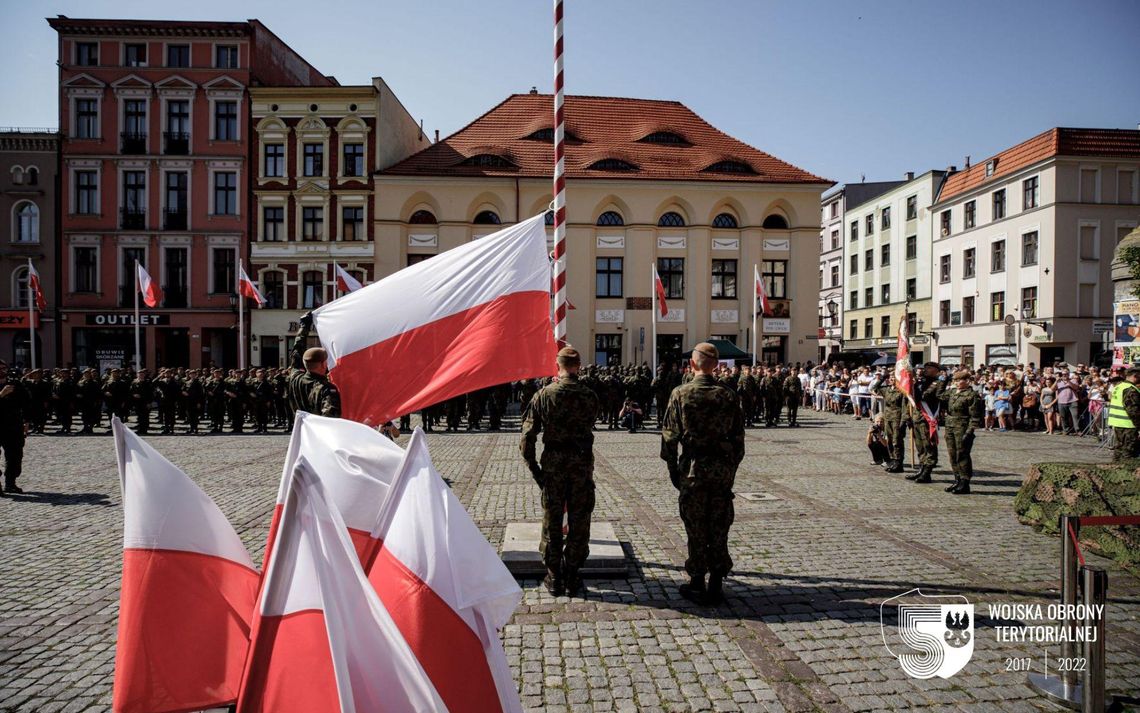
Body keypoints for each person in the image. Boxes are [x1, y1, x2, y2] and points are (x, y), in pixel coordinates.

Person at [660, 342, 745, 606]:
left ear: (693, 364)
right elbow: (739, 440)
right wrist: (729, 468)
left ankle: (697, 580)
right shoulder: (728, 395)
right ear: (717, 366)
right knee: (719, 526)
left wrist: (674, 472)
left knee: (695, 527)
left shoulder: (681, 394)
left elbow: (669, 439)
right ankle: (716, 581)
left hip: (693, 470)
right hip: (720, 473)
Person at [520, 346, 601, 597]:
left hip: (553, 466)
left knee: (552, 520)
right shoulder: (589, 396)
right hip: (580, 464)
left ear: (558, 366)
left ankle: (554, 575)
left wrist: (535, 470)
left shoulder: (544, 395)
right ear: (578, 366)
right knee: (579, 519)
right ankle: (573, 573)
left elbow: (527, 438)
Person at [944, 370, 984, 494]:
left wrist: (970, 431)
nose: (956, 382)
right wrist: (944, 380)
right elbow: (939, 395)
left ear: (967, 381)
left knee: (962, 455)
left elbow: (975, 417)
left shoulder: (972, 395)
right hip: (950, 426)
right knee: (952, 455)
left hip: (963, 428)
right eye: (955, 380)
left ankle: (965, 482)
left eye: (959, 380)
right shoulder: (952, 392)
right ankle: (957, 479)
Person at [908, 362, 945, 484]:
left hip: (927, 418)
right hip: (918, 418)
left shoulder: (938, 383)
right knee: (920, 446)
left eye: (929, 368)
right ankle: (922, 468)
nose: (926, 370)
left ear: (936, 370)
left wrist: (916, 385)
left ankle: (927, 472)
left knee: (929, 446)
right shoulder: (921, 382)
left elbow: (924, 396)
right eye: (925, 368)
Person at [0, 361, 30, 495]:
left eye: (3, 368)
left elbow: (26, 402)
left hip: (13, 425)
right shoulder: (5, 388)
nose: (2, 371)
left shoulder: (15, 384)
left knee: (15, 455)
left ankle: (10, 483)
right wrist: (1, 394)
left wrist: (26, 421)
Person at [1107, 367, 1140, 461]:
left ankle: (1114, 471)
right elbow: (1133, 411)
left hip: (1118, 423)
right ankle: (1126, 473)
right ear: (1136, 376)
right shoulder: (1130, 390)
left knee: (1118, 450)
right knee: (1128, 453)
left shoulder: (1119, 386)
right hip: (1128, 425)